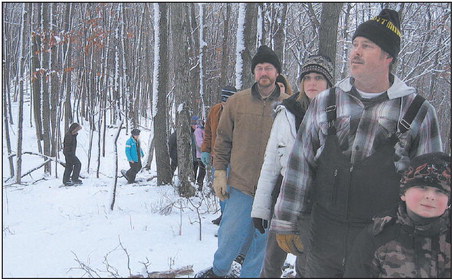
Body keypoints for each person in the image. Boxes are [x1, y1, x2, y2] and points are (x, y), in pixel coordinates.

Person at [271, 9, 443, 278]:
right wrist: (285, 220)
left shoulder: (417, 112)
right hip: (323, 241)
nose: (355, 52)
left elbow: (432, 184)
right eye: (354, 45)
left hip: (383, 247)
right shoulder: (325, 103)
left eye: (367, 46)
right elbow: (299, 166)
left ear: (388, 57)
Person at [195, 45, 289, 278]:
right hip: (240, 184)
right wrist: (219, 172)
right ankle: (219, 271)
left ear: (277, 72)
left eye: (268, 68)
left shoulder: (290, 104)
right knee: (230, 235)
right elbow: (223, 139)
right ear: (254, 72)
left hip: (272, 189)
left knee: (262, 241)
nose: (263, 72)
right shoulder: (237, 102)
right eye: (259, 68)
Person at [251, 55, 334, 278]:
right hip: (284, 199)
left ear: (329, 82)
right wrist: (260, 209)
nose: (312, 83)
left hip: (317, 203)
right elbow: (270, 162)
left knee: (307, 267)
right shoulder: (286, 112)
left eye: (318, 77)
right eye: (307, 78)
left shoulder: (337, 114)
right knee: (271, 264)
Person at [344, 152, 450, 278]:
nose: (430, 196)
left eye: (440, 191)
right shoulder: (376, 237)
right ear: (403, 194)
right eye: (422, 187)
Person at [201, 85, 237, 225]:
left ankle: (230, 219)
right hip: (218, 157)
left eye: (228, 101)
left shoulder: (239, 112)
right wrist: (205, 149)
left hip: (234, 158)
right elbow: (208, 132)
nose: (225, 104)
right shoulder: (215, 110)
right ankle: (223, 215)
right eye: (223, 101)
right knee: (220, 188)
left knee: (232, 190)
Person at [192, 116, 206, 191]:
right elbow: (199, 142)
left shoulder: (202, 130)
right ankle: (198, 185)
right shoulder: (198, 131)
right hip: (200, 154)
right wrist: (205, 148)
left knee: (202, 170)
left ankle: (199, 185)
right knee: (201, 170)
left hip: (202, 153)